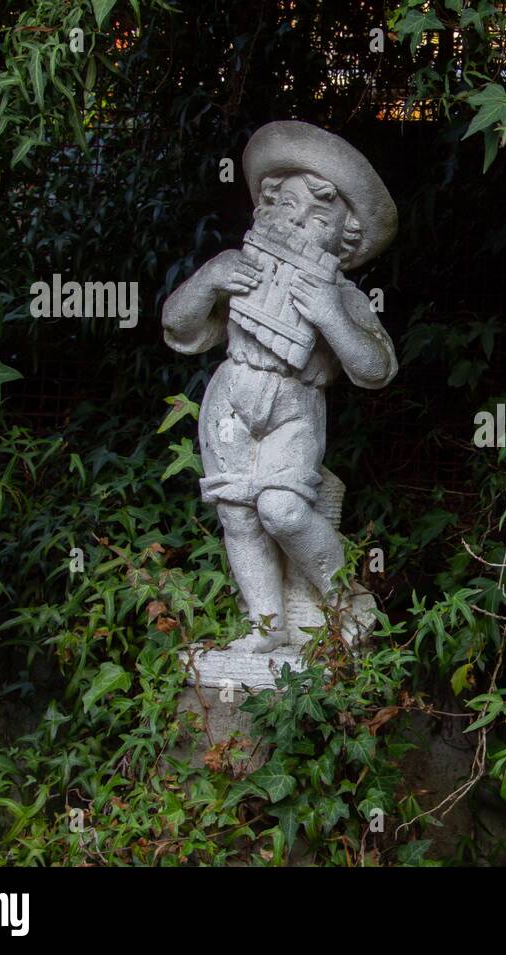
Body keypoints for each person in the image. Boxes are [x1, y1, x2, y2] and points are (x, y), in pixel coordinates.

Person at [163, 122, 397, 651]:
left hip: (295, 405)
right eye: (285, 205)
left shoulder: (343, 295)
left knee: (282, 509)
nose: (296, 220)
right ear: (264, 209)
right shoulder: (242, 267)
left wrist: (332, 317)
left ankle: (343, 601)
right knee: (239, 515)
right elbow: (177, 326)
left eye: (318, 216)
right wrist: (209, 280)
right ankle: (265, 625)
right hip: (231, 395)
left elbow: (377, 370)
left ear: (346, 238)